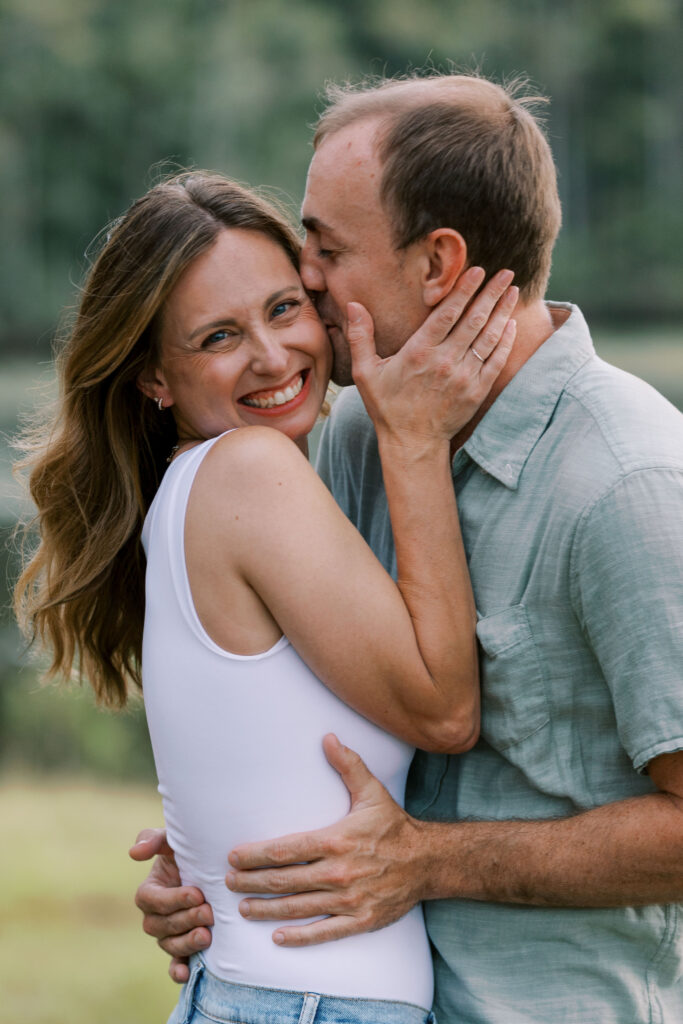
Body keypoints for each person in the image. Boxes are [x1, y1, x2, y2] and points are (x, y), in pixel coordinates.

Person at [133, 74, 683, 1023]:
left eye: (327, 246)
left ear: (438, 265)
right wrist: (217, 862)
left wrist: (428, 859)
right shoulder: (352, 439)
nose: (302, 274)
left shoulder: (629, 482)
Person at [15, 170, 517, 1024]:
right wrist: (416, 437)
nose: (274, 356)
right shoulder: (249, 469)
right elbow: (443, 712)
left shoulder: (196, 487)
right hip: (312, 1003)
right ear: (155, 379)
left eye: (284, 309)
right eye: (218, 336)